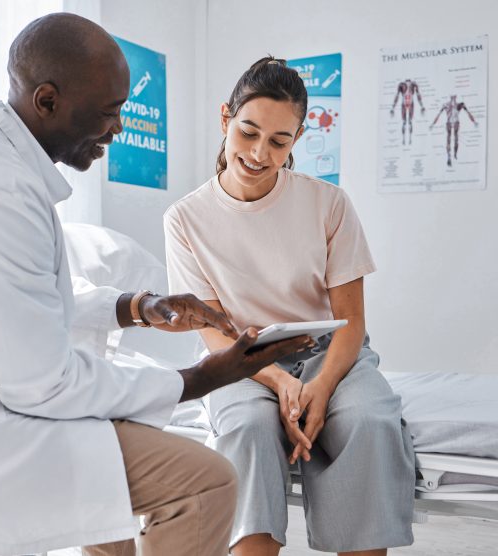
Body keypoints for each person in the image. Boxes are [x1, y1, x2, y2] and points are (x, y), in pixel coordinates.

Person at [0, 15, 311, 556]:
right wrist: (196, 379)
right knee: (207, 479)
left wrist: (139, 307)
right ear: (46, 100)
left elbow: (23, 306)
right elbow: (41, 383)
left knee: (108, 486)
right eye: (107, 112)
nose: (117, 129)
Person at [164, 57, 415, 556]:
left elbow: (352, 321)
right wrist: (279, 381)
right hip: (241, 360)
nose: (259, 153)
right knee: (250, 429)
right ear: (224, 120)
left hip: (330, 350)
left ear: (296, 141)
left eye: (279, 142)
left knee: (368, 421)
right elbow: (211, 331)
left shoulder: (329, 203)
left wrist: (318, 387)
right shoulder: (185, 219)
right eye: (248, 132)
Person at [429, 94, 478, 166]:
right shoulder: (448, 105)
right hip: (451, 122)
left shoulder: (457, 105)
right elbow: (438, 114)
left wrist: (474, 122)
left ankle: (454, 154)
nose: (453, 98)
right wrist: (433, 124)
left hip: (454, 123)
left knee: (454, 139)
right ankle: (451, 156)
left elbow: (468, 113)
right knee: (451, 139)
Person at [389, 78, 425, 145]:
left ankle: (410, 139)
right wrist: (392, 108)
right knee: (404, 122)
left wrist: (422, 106)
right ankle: (404, 139)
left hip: (410, 103)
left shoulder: (413, 84)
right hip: (405, 103)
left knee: (409, 122)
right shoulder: (401, 85)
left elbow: (418, 95)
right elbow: (397, 96)